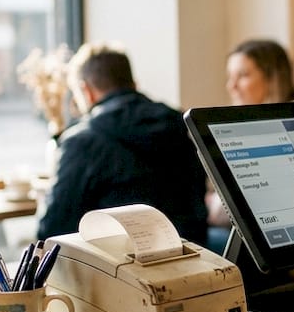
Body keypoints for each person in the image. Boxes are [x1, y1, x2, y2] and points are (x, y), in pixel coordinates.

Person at [37, 42, 209, 244]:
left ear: (87, 91)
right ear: (133, 84)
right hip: (193, 259)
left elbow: (51, 231)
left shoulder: (82, 141)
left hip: (122, 269)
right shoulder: (181, 124)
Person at [206, 38, 294, 254]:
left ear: (273, 78)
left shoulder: (278, 126)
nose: (232, 86)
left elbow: (222, 214)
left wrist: (212, 204)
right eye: (230, 77)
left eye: (243, 76)